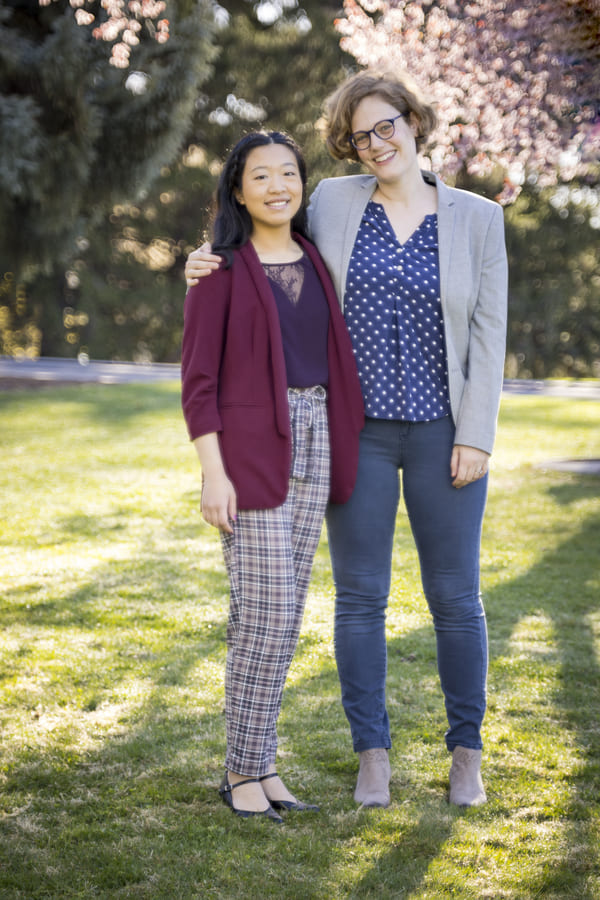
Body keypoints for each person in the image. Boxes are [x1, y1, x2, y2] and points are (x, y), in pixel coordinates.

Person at [185, 69, 508, 809]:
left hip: (444, 433)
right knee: (360, 598)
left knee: (456, 598)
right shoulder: (332, 201)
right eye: (360, 135)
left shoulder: (478, 219)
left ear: (414, 121)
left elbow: (489, 339)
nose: (376, 143)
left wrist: (478, 435)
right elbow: (262, 245)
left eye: (387, 125)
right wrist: (200, 261)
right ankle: (372, 754)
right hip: (350, 433)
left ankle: (466, 753)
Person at [181, 130, 364, 823]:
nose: (277, 186)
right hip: (252, 452)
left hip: (315, 439)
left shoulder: (315, 257)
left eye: (289, 173)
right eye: (261, 176)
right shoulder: (219, 270)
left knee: (283, 618)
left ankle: (261, 763)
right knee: (264, 615)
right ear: (237, 189)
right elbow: (197, 383)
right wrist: (212, 474)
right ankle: (239, 770)